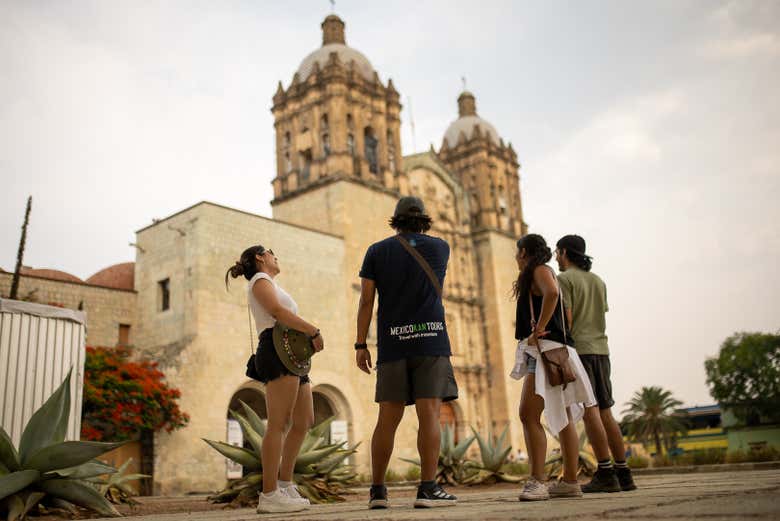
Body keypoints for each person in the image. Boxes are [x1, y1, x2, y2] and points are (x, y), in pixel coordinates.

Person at [355, 196, 459, 509]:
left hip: (392, 344)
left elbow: (366, 301)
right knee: (430, 415)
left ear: (395, 220)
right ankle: (428, 488)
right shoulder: (441, 248)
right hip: (431, 341)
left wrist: (361, 344)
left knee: (387, 418)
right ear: (425, 219)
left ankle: (377, 492)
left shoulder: (376, 251)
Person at [225, 245, 325, 513]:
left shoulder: (270, 282)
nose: (275, 255)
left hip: (291, 352)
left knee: (304, 421)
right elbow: (278, 314)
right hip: (275, 347)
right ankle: (269, 495)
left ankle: (285, 483)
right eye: (270, 252)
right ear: (260, 258)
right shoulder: (260, 280)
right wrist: (313, 331)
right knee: (278, 423)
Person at [509, 234, 597, 501]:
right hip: (555, 352)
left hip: (547, 352)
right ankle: (570, 481)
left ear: (524, 252)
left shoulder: (539, 270)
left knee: (528, 415)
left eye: (517, 252)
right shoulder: (540, 271)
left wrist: (538, 328)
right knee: (563, 417)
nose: (515, 257)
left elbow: (552, 292)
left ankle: (537, 481)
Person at [556, 234, 637, 492]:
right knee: (605, 410)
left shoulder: (565, 279)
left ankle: (604, 471)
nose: (556, 257)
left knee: (590, 411)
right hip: (602, 349)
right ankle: (624, 473)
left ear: (565, 253)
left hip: (581, 351)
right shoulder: (598, 281)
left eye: (558, 252)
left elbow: (567, 319)